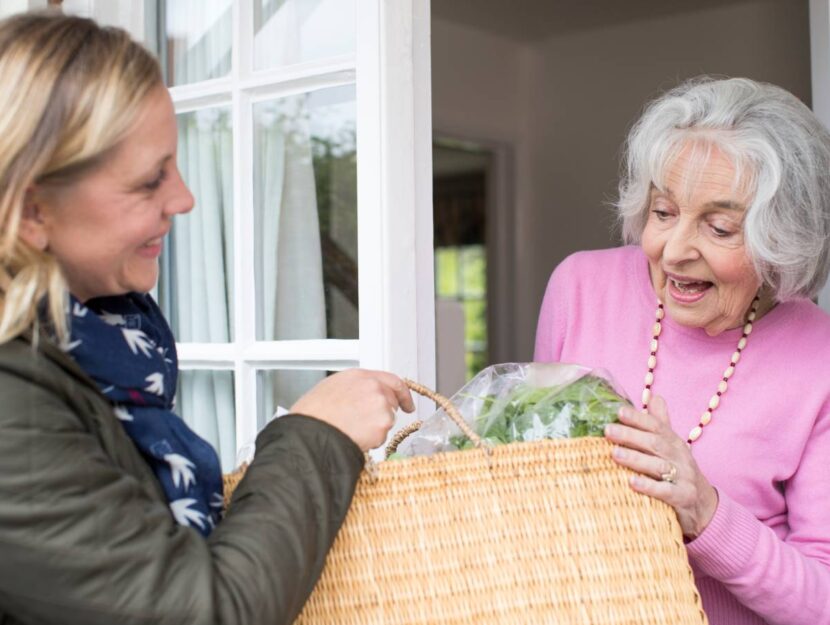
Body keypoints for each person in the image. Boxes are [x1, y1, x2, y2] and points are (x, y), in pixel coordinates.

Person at [0, 12, 414, 625]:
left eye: (176, 164)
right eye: (148, 182)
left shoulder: (103, 348)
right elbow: (200, 612)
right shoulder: (13, 405)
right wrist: (314, 435)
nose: (185, 199)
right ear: (33, 209)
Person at [535, 76, 830, 624]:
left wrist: (705, 511)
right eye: (663, 211)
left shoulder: (821, 359)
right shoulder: (579, 289)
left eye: (718, 227)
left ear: (783, 236)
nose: (673, 252)